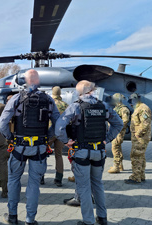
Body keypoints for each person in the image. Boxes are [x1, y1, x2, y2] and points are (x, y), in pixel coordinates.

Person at [55, 80, 123, 225]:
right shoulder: (103, 106)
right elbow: (119, 124)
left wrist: (66, 141)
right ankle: (102, 217)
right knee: (98, 184)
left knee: (84, 187)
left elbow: (59, 127)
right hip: (99, 151)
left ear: (79, 92)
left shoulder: (75, 107)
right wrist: (107, 139)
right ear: (91, 90)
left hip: (81, 152)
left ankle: (88, 221)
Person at [0, 69, 60, 225]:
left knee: (14, 180)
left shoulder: (17, 99)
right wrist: (48, 136)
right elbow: (58, 124)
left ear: (25, 81)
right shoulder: (48, 99)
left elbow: (2, 123)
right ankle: (30, 219)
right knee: (34, 184)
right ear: (38, 81)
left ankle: (12, 216)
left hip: (19, 146)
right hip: (39, 147)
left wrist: (10, 137)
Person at [124, 93, 152, 184]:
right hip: (139, 137)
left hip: (140, 138)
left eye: (131, 101)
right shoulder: (139, 108)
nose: (130, 104)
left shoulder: (143, 108)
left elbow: (145, 123)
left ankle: (135, 178)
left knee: (136, 156)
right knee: (141, 157)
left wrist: (138, 134)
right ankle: (141, 176)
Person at [48, 86, 68, 187]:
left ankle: (41, 177)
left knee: (43, 154)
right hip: (61, 133)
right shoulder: (65, 105)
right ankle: (58, 179)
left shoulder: (50, 103)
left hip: (50, 133)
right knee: (59, 155)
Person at [108, 93, 130, 173]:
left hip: (118, 132)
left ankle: (116, 166)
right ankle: (120, 165)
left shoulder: (124, 109)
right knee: (118, 147)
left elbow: (125, 120)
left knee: (115, 148)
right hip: (115, 131)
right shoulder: (116, 108)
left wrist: (116, 126)